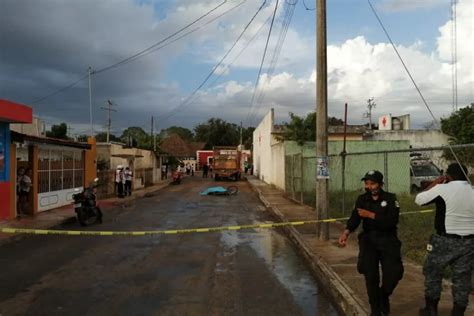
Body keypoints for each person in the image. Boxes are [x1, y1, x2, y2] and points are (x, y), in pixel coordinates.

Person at [339, 170, 403, 316]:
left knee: (395, 273)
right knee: (370, 275)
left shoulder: (391, 199)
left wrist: (371, 215)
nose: (369, 186)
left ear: (380, 184)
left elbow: (392, 221)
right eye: (367, 184)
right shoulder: (362, 199)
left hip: (388, 239)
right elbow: (355, 217)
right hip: (369, 240)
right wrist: (346, 232)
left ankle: (384, 295)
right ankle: (375, 309)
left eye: (372, 183)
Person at [415, 163, 474, 316]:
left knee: (433, 272)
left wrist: (436, 183)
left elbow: (419, 199)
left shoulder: (442, 188)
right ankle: (458, 312)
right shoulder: (473, 190)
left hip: (444, 240)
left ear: (448, 176)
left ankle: (431, 309)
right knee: (462, 278)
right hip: (468, 242)